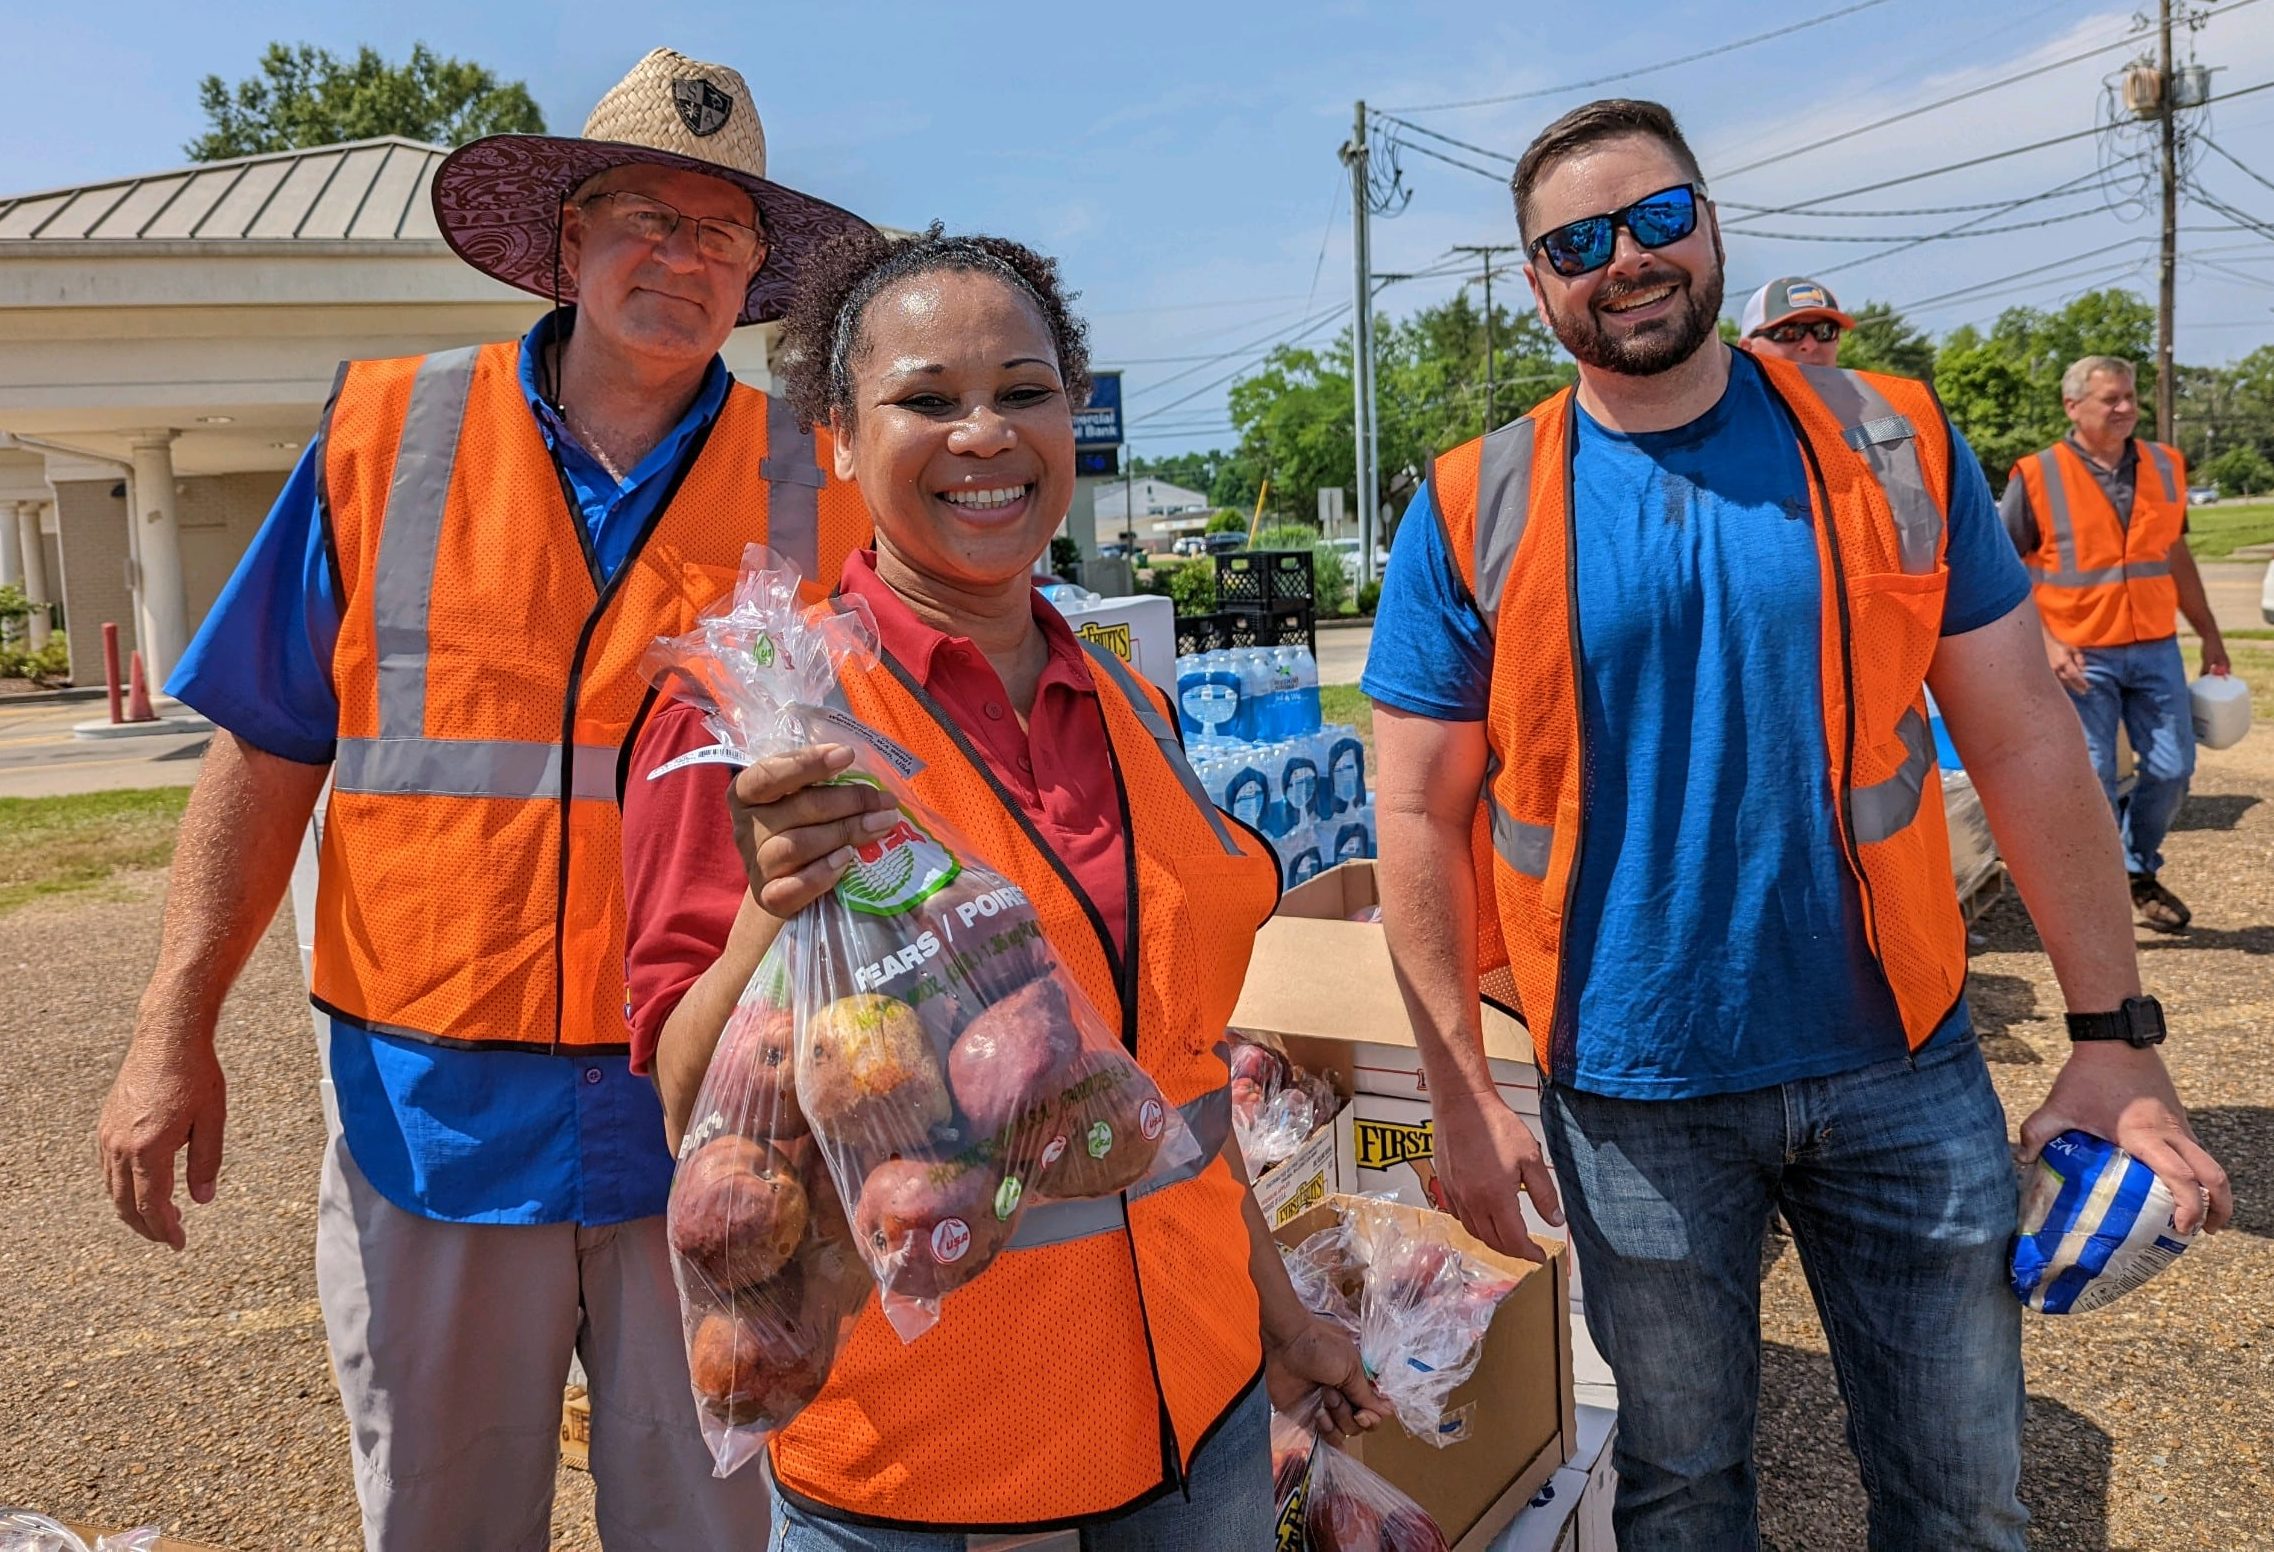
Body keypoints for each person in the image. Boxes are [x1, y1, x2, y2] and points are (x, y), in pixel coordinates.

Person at [1361, 98, 2232, 1551]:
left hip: (1897, 1065)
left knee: (1961, 1493)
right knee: (1683, 1484)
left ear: (1709, 223)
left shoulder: (1889, 440)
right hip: (1628, 1090)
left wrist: (2112, 1039)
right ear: (1532, 284)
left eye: (1655, 218)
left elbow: (2021, 743)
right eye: (1575, 243)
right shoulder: (1473, 501)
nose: (1623, 260)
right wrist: (1457, 1088)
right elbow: (1412, 810)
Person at [95, 48, 873, 1551]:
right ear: (568, 241)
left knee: (718, 1534)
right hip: (439, 1125)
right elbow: (265, 750)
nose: (681, 256)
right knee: (441, 1524)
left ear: (757, 278)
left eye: (721, 234)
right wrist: (168, 1025)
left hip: (717, 1124)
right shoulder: (389, 438)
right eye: (645, 215)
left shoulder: (817, 485)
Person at [622, 224, 1382, 1547]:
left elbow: (1178, 1096)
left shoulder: (1133, 701)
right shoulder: (771, 727)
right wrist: (771, 905)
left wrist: (1286, 1325)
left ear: (1071, 418)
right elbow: (694, 1109)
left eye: (1022, 391)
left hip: (1200, 1437)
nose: (981, 434)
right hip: (933, 1485)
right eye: (924, 399)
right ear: (838, 440)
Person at [2000, 356, 2230, 930]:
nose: (2126, 408)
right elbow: (2004, 571)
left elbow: (2174, 556)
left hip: (2154, 645)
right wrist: (2047, 642)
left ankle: (2133, 863)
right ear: (2072, 407)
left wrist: (2209, 632)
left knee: (2174, 769)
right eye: (2111, 399)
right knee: (2093, 776)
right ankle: (2109, 889)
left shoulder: (2166, 465)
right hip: (2077, 653)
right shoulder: (2036, 475)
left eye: (2130, 397)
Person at [1738, 275, 1852, 366]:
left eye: (1825, 331)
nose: (1810, 345)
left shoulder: (1861, 394)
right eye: (1789, 332)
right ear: (1748, 350)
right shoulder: (1728, 394)